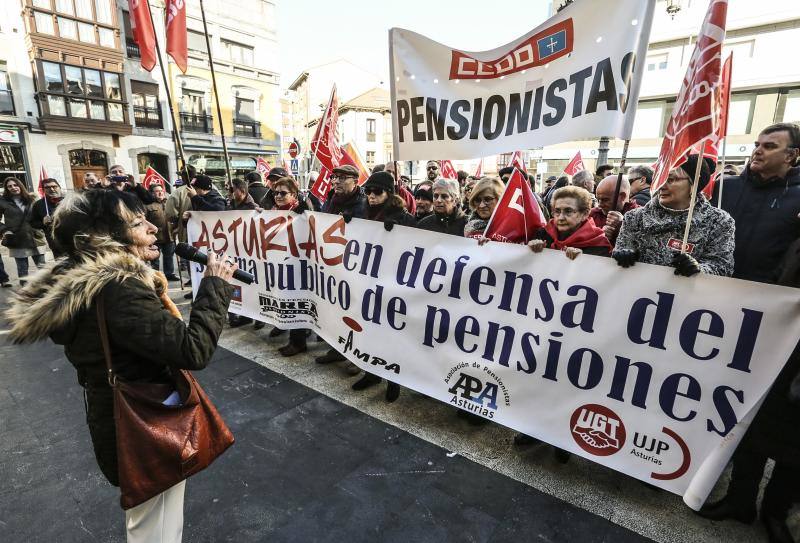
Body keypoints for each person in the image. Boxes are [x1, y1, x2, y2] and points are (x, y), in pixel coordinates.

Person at [7, 189, 236, 543]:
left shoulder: (84, 283)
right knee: (154, 527)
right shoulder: (119, 289)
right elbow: (194, 350)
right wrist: (215, 286)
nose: (152, 228)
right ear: (103, 238)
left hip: (119, 413)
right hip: (144, 420)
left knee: (154, 520)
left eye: (146, 218)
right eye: (136, 222)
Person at [699, 123, 800, 541]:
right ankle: (740, 499)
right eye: (757, 144)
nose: (758, 151)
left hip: (784, 327)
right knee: (741, 412)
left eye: (770, 146)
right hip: (723, 319)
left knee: (787, 420)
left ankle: (776, 511)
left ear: (792, 156)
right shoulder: (725, 189)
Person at [349, 171, 415, 400]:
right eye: (368, 192)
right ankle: (371, 372)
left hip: (393, 285)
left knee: (390, 333)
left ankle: (393, 380)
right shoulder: (365, 212)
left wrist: (399, 228)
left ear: (389, 193)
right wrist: (349, 221)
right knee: (368, 329)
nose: (371, 196)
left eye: (377, 191)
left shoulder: (403, 216)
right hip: (369, 282)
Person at [612, 155, 735, 277]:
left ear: (694, 184)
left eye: (670, 180)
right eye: (661, 179)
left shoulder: (719, 221)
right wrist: (624, 256)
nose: (662, 186)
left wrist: (698, 269)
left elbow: (722, 266)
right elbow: (619, 251)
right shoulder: (635, 217)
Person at [315, 164, 368, 366]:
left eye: (342, 178)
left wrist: (352, 223)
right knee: (336, 308)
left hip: (354, 268)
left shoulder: (363, 203)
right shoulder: (330, 199)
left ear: (355, 181)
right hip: (332, 265)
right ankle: (337, 347)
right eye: (333, 177)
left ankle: (356, 357)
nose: (335, 181)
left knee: (354, 312)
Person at [0, 177, 46, 285]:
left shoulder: (32, 198)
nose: (13, 188)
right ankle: (25, 292)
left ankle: (46, 289)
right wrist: (5, 230)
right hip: (17, 238)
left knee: (43, 268)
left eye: (15, 185)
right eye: (9, 186)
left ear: (20, 185)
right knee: (22, 270)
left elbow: (40, 215)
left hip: (35, 237)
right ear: (6, 189)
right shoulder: (2, 202)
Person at [590, 174, 638, 244]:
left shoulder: (639, 215)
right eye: (598, 200)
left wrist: (623, 224)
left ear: (622, 196)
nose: (600, 205)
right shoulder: (592, 214)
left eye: (605, 200)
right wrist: (599, 234)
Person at [145, 183, 178, 281]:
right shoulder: (148, 205)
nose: (160, 192)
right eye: (157, 191)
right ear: (152, 193)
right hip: (155, 237)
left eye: (161, 190)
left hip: (169, 235)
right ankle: (155, 276)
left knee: (169, 256)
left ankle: (169, 274)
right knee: (154, 259)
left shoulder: (169, 202)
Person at [30, 177, 65, 258]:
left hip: (74, 241)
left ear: (59, 187)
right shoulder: (38, 205)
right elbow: (33, 223)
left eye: (54, 186)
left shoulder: (69, 201)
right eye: (47, 187)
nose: (52, 189)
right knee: (63, 266)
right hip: (55, 242)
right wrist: (43, 222)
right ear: (43, 190)